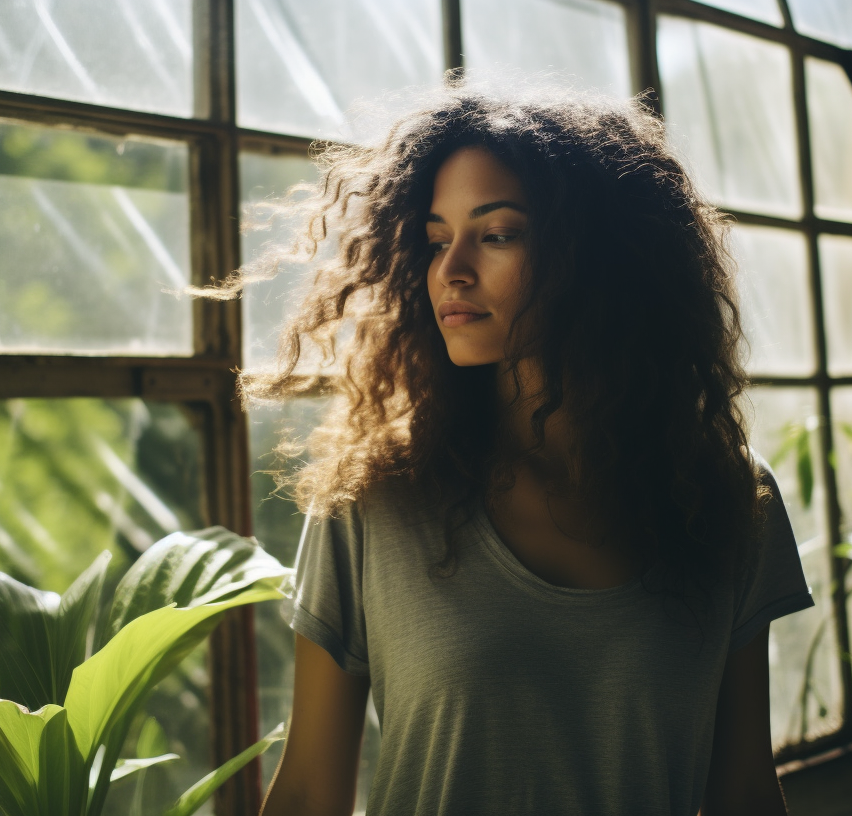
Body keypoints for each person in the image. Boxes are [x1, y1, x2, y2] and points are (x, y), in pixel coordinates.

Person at [237, 87, 813, 816]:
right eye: (437, 238)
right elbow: (310, 795)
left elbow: (744, 796)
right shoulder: (375, 499)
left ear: (602, 257)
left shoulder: (726, 498)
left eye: (497, 233)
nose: (453, 269)